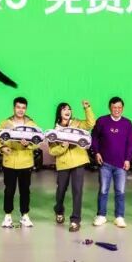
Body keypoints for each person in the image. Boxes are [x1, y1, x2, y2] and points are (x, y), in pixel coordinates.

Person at [48, 99, 95, 232]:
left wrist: (87, 108)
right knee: (61, 190)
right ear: (59, 113)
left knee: (77, 191)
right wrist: (63, 146)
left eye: (69, 109)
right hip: (63, 164)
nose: (67, 111)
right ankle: (59, 210)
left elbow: (91, 123)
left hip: (79, 162)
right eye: (64, 109)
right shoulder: (55, 131)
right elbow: (52, 151)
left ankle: (75, 220)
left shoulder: (77, 123)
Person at [0, 97, 39, 228]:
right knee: (9, 190)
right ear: (14, 108)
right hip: (10, 161)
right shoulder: (5, 123)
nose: (20, 110)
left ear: (26, 109)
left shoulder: (31, 124)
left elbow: (38, 142)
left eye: (23, 108)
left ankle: (25, 215)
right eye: (18, 107)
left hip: (26, 162)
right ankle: (8, 216)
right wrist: (2, 147)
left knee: (25, 191)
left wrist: (28, 144)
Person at [91, 96, 132, 228]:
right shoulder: (102, 121)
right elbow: (94, 137)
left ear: (123, 108)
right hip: (105, 163)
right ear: (110, 108)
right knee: (103, 190)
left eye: (119, 107)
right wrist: (96, 152)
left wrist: (128, 159)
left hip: (121, 165)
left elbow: (130, 143)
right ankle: (101, 215)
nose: (117, 110)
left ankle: (119, 217)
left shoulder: (127, 123)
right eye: (114, 107)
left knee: (120, 191)